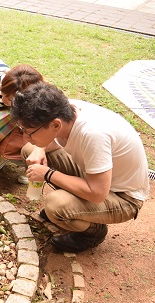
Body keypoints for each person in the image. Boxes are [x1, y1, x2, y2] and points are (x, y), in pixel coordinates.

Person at [11, 82, 150, 253]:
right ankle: (76, 207)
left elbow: (98, 192)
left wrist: (47, 174)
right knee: (31, 151)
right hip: (95, 176)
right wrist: (39, 148)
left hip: (123, 197)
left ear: (56, 125)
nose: (26, 136)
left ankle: (92, 232)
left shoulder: (93, 134)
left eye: (29, 132)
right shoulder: (65, 111)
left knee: (56, 205)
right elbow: (46, 142)